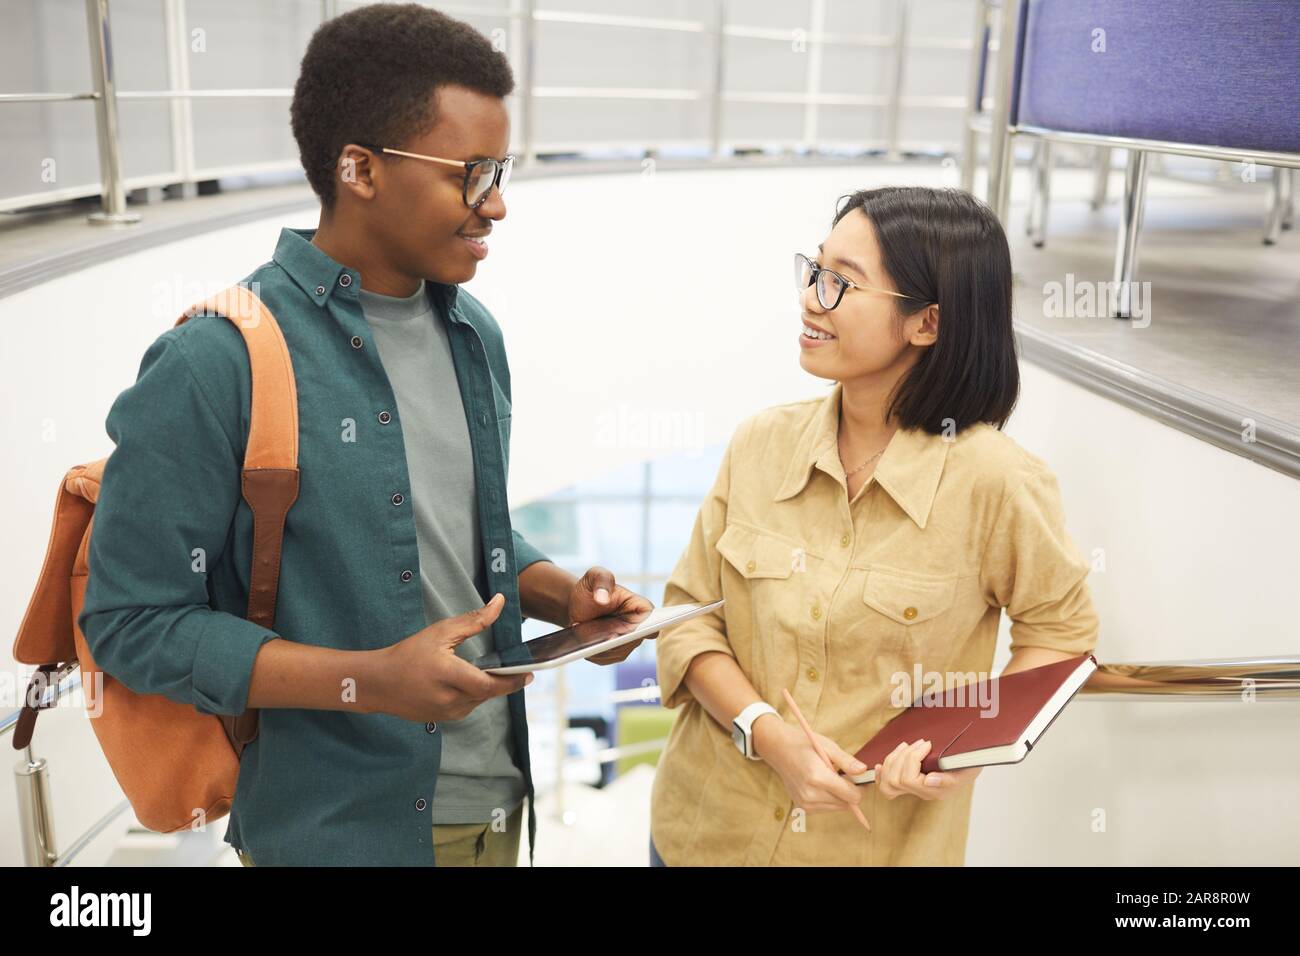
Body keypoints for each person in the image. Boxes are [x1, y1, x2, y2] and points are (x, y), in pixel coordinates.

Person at [78, 3, 650, 867]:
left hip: (498, 803)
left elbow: (456, 532)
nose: (495, 204)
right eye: (472, 172)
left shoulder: (473, 333)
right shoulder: (214, 359)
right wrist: (367, 679)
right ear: (359, 168)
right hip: (336, 834)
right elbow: (130, 621)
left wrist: (563, 599)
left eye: (503, 170)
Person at [649, 186, 1100, 866]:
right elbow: (687, 615)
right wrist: (767, 732)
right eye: (815, 270)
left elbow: (1062, 635)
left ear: (927, 324)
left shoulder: (998, 482)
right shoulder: (761, 444)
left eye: (842, 284)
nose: (811, 297)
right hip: (702, 833)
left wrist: (963, 750)